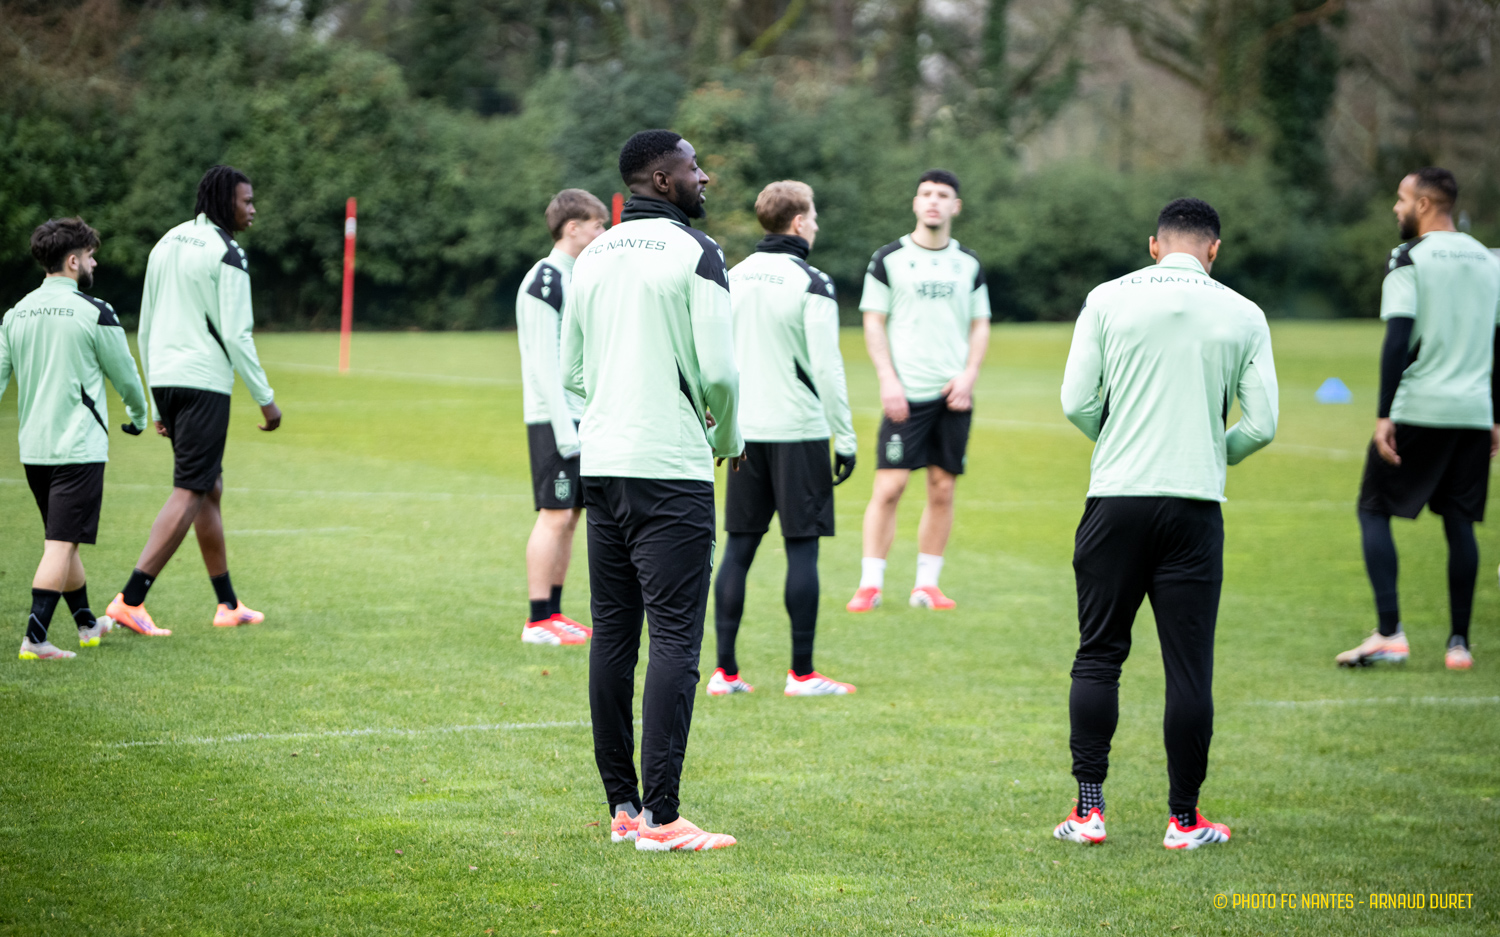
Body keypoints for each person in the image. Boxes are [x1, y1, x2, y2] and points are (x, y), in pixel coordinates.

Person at [1055, 197, 1278, 850]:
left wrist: (1117, 439)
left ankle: (1089, 811)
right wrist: (1212, 452)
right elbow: (1262, 424)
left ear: (1155, 246)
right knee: (1189, 670)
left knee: (1099, 654)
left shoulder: (1106, 298)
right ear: (1214, 250)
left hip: (1116, 499)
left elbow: (1076, 401)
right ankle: (1184, 820)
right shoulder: (1244, 312)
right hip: (1194, 506)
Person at [561, 129, 741, 852]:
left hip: (603, 463)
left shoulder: (592, 254)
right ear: (663, 179)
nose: (705, 177)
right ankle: (663, 819)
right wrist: (726, 438)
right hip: (670, 465)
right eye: (695, 167)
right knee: (673, 636)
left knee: (613, 633)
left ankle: (624, 806)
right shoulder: (699, 252)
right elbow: (720, 373)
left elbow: (572, 372)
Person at [105, 165, 282, 636]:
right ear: (226, 202)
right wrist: (266, 400)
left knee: (209, 486)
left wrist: (156, 400)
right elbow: (237, 334)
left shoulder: (166, 242)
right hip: (204, 381)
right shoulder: (227, 252)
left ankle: (227, 604)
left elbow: (145, 323)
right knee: (190, 488)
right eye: (247, 201)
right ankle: (130, 599)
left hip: (166, 378)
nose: (253, 209)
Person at [1337, 168, 1500, 671]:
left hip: (1421, 407)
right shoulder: (1490, 259)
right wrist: (1495, 414)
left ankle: (1390, 634)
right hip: (1474, 413)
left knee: (1372, 508)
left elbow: (1397, 339)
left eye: (1402, 199)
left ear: (1424, 204)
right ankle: (1459, 645)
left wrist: (1384, 414)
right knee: (1460, 523)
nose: (1396, 208)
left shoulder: (1409, 258)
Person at [710, 181, 859, 698]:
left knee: (738, 549)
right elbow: (827, 367)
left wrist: (720, 426)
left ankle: (724, 673)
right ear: (798, 222)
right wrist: (845, 438)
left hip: (743, 435)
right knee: (802, 552)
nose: (815, 224)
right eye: (812, 215)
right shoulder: (812, 282)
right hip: (799, 432)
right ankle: (802, 675)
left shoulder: (731, 276)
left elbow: (715, 356)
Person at [2, 218, 149, 660]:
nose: (94, 263)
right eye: (89, 256)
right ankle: (35, 639)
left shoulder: (15, 313)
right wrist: (139, 415)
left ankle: (87, 624)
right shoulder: (95, 311)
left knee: (63, 540)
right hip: (78, 448)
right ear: (72, 261)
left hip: (34, 450)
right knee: (61, 543)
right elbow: (125, 374)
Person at [845, 170, 990, 613]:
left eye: (942, 195)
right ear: (915, 203)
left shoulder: (968, 263)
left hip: (953, 394)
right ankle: (870, 584)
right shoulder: (888, 259)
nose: (933, 201)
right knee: (889, 487)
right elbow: (874, 321)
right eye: (926, 193)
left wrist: (969, 375)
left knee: (942, 488)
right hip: (905, 394)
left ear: (955, 206)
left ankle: (927, 585)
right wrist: (888, 379)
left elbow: (980, 323)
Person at [517, 189, 608, 646]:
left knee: (570, 516)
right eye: (597, 225)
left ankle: (554, 612)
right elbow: (542, 363)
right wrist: (564, 430)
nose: (603, 232)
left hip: (581, 419)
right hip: (555, 421)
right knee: (554, 515)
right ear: (573, 227)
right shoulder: (545, 280)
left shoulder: (579, 276)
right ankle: (536, 620)